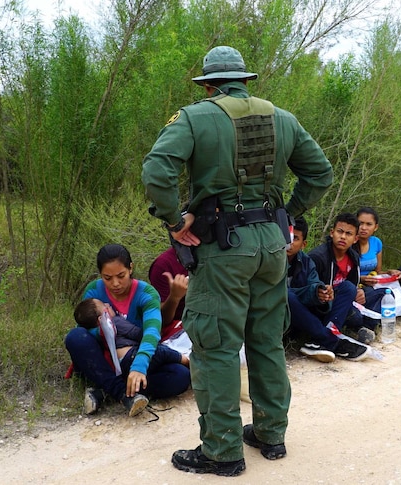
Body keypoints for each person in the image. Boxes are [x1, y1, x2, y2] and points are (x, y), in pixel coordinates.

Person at [142, 46, 333, 476]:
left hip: (223, 246)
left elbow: (157, 171)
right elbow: (320, 172)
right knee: (266, 339)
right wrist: (288, 215)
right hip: (272, 244)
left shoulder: (194, 117)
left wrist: (174, 221)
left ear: (208, 84)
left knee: (215, 345)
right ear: (245, 81)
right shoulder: (281, 117)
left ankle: (222, 450)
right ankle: (271, 434)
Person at [64, 244, 191, 417]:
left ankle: (107, 389)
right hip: (105, 358)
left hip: (135, 356)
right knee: (75, 337)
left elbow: (152, 333)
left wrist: (139, 365)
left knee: (180, 376)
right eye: (107, 278)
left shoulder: (146, 293)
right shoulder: (94, 291)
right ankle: (123, 393)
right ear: (100, 274)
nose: (115, 283)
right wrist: (106, 334)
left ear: (130, 268)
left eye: (121, 276)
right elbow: (85, 329)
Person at [287, 217, 370, 362]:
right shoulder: (317, 256)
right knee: (286, 295)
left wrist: (322, 293)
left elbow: (315, 285)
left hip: (313, 310)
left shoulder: (306, 261)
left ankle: (320, 340)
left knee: (350, 295)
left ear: (303, 244)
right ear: (332, 233)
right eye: (285, 237)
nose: (289, 242)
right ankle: (330, 340)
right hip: (285, 313)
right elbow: (277, 293)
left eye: (295, 238)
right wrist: (314, 292)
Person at [308, 213, 378, 344]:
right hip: (324, 306)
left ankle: (365, 327)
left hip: (344, 299)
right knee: (355, 315)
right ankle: (331, 336)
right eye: (340, 232)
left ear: (356, 238)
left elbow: (352, 284)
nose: (343, 237)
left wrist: (358, 292)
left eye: (349, 234)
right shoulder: (318, 257)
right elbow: (310, 290)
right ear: (332, 232)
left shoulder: (353, 256)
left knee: (381, 293)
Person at [74, 297, 190, 368]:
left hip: (123, 363)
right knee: (161, 351)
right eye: (104, 306)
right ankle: (187, 361)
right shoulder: (115, 322)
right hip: (132, 356)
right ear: (102, 319)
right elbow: (137, 334)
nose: (107, 304)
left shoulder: (100, 334)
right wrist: (151, 335)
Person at [147, 246, 189, 340]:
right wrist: (175, 297)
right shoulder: (163, 265)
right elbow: (162, 320)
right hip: (181, 333)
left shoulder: (220, 253)